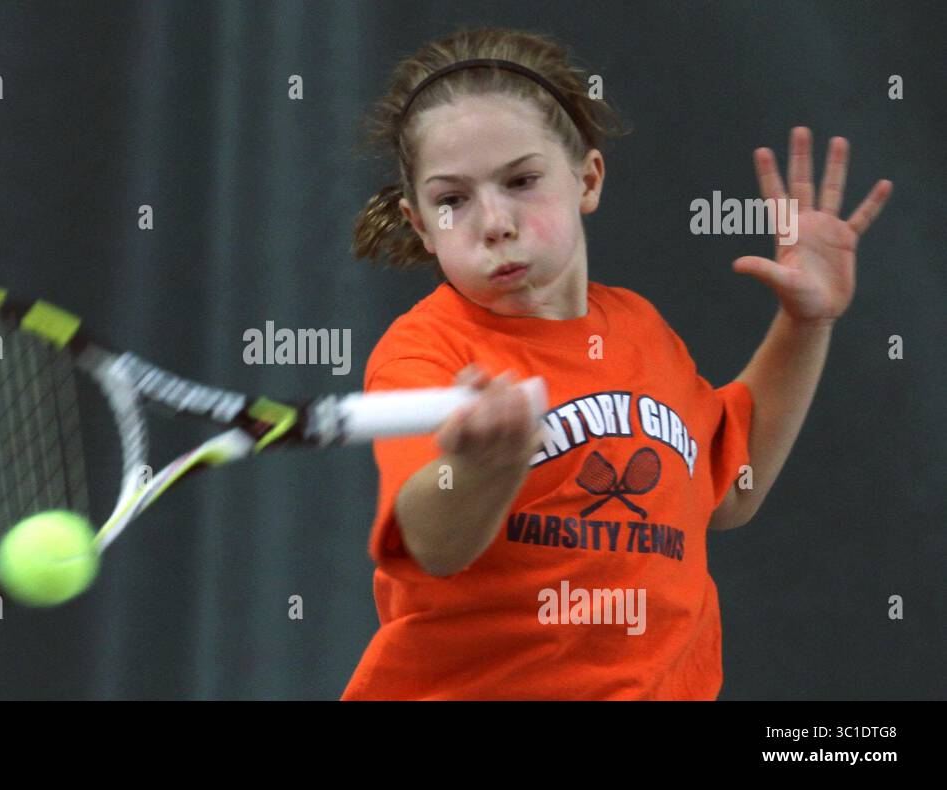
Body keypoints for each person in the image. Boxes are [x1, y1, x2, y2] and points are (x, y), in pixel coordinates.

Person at [343, 26, 892, 700]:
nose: (494, 221)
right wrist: (477, 469)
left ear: (588, 179)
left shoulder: (640, 330)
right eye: (452, 199)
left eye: (521, 180)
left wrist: (806, 323)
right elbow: (432, 542)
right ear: (422, 224)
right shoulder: (426, 350)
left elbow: (734, 487)